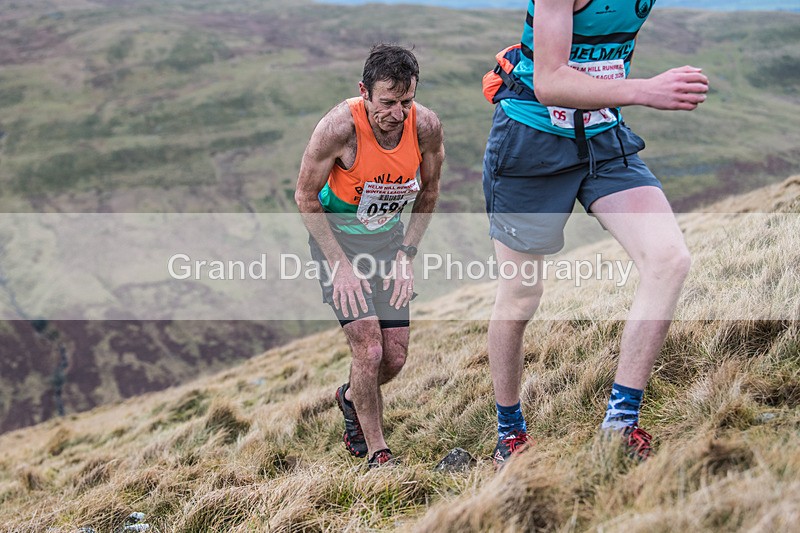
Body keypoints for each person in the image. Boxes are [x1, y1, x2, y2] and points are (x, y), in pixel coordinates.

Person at [482, 0, 708, 468]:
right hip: (531, 142)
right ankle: (509, 433)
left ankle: (619, 427)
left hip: (604, 137)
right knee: (522, 294)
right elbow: (549, 82)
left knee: (668, 259)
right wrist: (646, 90)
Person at [295, 44, 444, 468]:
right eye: (387, 103)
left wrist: (406, 255)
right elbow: (305, 197)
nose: (397, 114)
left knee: (395, 357)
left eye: (406, 101)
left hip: (387, 243)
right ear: (364, 92)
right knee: (370, 352)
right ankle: (378, 451)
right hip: (337, 243)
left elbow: (429, 192)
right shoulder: (338, 128)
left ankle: (349, 397)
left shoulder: (426, 127)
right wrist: (339, 266)